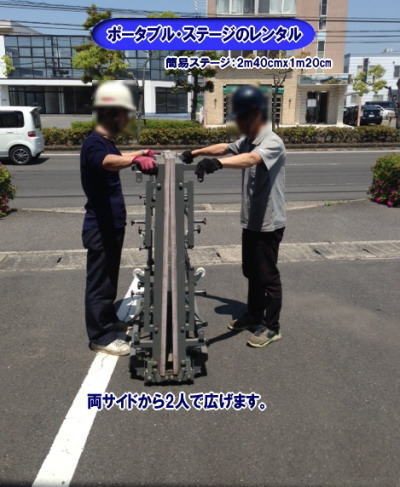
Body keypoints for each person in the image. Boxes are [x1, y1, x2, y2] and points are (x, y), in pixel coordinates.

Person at [181, 85, 286, 348]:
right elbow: (226, 148)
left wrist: (217, 165)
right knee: (251, 271)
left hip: (268, 222)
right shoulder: (249, 138)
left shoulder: (271, 141)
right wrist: (196, 153)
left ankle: (272, 327)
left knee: (267, 275)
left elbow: (250, 159)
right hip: (251, 220)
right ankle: (254, 314)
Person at [80, 80, 157, 356]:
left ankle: (109, 321)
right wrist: (134, 160)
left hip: (112, 224)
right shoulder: (94, 144)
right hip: (100, 226)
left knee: (109, 278)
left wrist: (139, 153)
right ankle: (100, 336)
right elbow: (107, 162)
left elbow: (117, 156)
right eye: (125, 115)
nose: (127, 121)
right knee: (99, 281)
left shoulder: (106, 143)